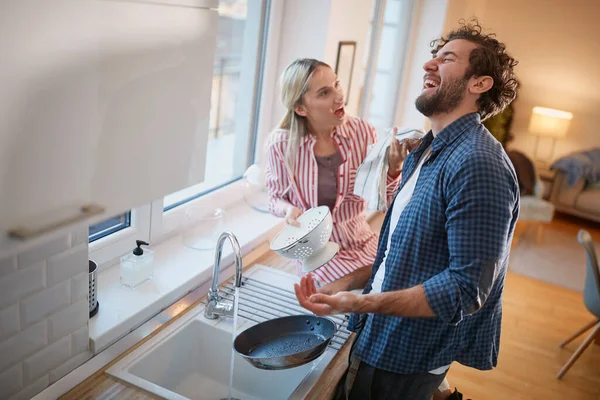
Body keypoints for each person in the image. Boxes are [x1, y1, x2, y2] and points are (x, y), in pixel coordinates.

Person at [294, 19, 520, 400]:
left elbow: (464, 290)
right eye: (434, 56)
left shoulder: (479, 165)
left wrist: (361, 301)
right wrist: (347, 284)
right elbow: (408, 254)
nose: (428, 65)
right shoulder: (428, 150)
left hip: (408, 353)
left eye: (447, 59)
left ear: (479, 84)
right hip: (378, 334)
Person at [264, 58, 416, 286]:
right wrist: (288, 210)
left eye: (337, 84)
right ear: (301, 108)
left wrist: (394, 169)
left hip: (362, 240)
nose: (339, 96)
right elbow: (274, 198)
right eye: (324, 93)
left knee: (399, 281)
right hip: (316, 251)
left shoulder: (363, 132)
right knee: (351, 295)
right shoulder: (281, 145)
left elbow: (385, 201)